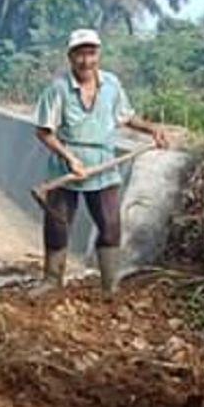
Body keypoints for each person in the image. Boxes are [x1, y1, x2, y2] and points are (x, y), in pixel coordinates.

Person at [34, 28, 167, 294]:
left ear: (98, 55)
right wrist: (70, 158)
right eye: (80, 55)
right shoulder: (57, 90)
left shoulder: (111, 85)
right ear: (70, 57)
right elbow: (44, 131)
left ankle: (109, 285)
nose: (86, 61)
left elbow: (126, 116)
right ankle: (51, 279)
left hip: (102, 165)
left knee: (110, 225)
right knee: (57, 224)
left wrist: (151, 129)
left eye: (91, 54)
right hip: (66, 167)